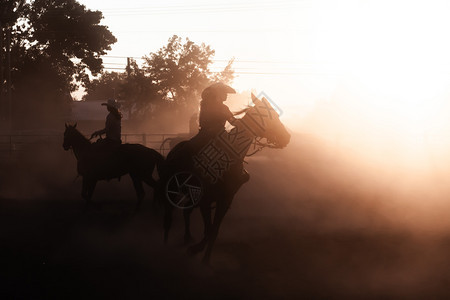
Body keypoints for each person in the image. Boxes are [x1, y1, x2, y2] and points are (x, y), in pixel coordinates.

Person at [191, 82, 249, 188]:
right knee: (234, 152)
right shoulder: (222, 108)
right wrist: (245, 124)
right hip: (217, 136)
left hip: (203, 134)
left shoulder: (205, 104)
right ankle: (234, 174)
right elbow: (233, 122)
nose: (226, 95)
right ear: (218, 94)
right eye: (224, 93)